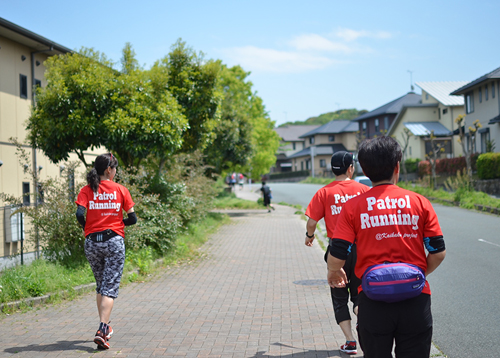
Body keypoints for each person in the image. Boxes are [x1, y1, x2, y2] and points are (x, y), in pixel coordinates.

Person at [327, 137, 446, 358]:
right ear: (397, 166)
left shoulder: (353, 207)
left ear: (364, 168)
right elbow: (438, 252)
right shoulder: (420, 202)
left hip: (373, 301)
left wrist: (333, 270)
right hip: (415, 298)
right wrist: (418, 274)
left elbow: (337, 255)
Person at [304, 151, 370, 355]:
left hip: (336, 251)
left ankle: (350, 341)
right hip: (362, 249)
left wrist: (309, 236)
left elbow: (312, 221)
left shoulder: (324, 193)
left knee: (339, 295)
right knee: (361, 296)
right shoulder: (365, 190)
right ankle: (364, 326)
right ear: (351, 168)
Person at [75, 153, 137, 350]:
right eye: (115, 168)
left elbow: (79, 214)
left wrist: (89, 227)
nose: (116, 172)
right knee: (109, 287)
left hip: (92, 243)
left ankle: (106, 326)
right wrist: (119, 224)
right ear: (109, 170)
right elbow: (133, 218)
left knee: (101, 285)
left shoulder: (86, 190)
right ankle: (102, 329)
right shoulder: (120, 190)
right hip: (113, 241)